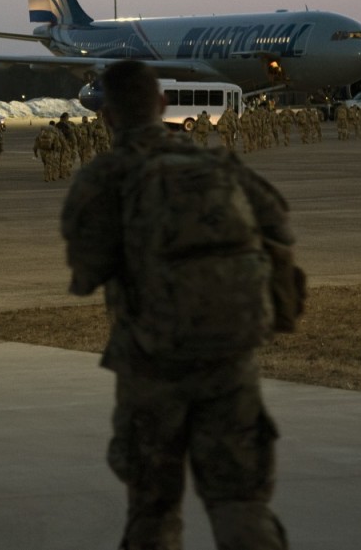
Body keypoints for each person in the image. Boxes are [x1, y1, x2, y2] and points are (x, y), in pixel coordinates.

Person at [60, 60, 300, 550]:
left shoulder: (102, 179)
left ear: (106, 116)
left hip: (150, 365)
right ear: (164, 104)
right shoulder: (216, 166)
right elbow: (279, 224)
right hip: (229, 359)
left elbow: (85, 274)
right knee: (240, 502)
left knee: (154, 508)